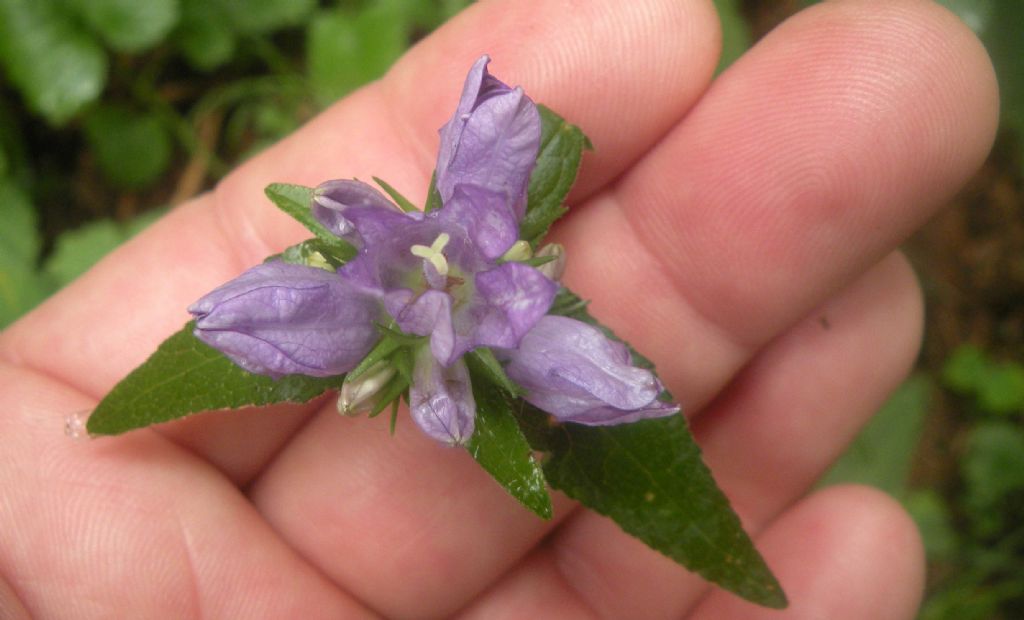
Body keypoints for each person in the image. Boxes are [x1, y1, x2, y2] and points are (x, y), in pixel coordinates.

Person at [0, 0, 998, 617]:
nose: (437, 280)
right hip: (436, 315)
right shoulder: (387, 285)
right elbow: (459, 205)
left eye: (451, 278)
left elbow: (490, 185)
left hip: (479, 320)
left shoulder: (474, 289)